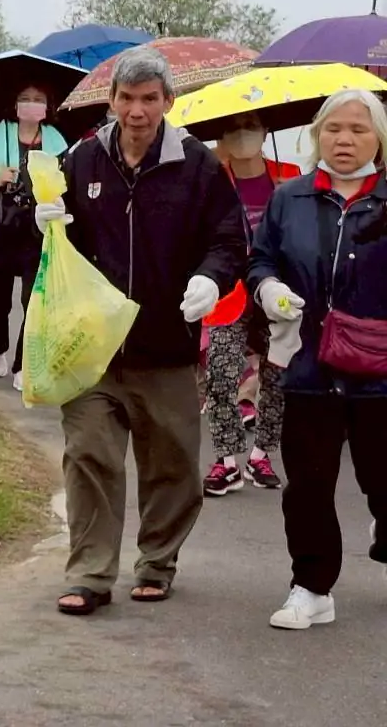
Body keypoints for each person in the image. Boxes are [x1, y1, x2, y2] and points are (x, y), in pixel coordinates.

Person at [34, 45, 247, 615]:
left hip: (166, 346)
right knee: (88, 457)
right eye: (126, 98)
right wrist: (44, 226)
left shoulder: (198, 166)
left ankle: (156, 561)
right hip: (92, 348)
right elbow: (57, 254)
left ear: (168, 102)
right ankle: (90, 573)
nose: (136, 110)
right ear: (111, 101)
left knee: (172, 465)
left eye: (149, 99)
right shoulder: (81, 161)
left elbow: (229, 242)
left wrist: (210, 279)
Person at [248, 89, 387, 631]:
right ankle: (311, 586)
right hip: (308, 366)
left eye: (358, 129)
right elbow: (260, 258)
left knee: (384, 480)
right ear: (317, 135)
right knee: (308, 484)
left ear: (378, 137)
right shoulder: (292, 198)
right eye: (333, 128)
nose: (345, 139)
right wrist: (268, 288)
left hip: (380, 374)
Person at [201, 112, 299, 497]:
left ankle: (262, 454)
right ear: (222, 136)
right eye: (233, 128)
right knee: (221, 377)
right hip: (228, 294)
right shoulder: (212, 179)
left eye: (252, 126)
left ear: (266, 132)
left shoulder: (290, 177)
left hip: (277, 292)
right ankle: (226, 461)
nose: (243, 135)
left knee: (277, 380)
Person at [0, 85, 68, 391]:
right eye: (26, 99)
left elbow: (67, 183)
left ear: (49, 106)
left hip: (38, 230)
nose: (32, 105)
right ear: (15, 103)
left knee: (34, 299)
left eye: (39, 100)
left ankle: (24, 363)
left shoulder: (57, 142)